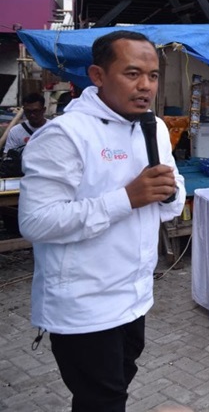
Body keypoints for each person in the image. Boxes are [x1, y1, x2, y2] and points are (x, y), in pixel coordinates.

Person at [19, 31, 186, 412]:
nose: (146, 86)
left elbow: (171, 194)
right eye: (132, 73)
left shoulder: (154, 127)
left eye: (153, 75)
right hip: (84, 307)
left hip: (135, 297)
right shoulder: (64, 135)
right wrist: (126, 198)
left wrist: (170, 193)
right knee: (103, 400)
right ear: (97, 75)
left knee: (117, 386)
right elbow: (36, 221)